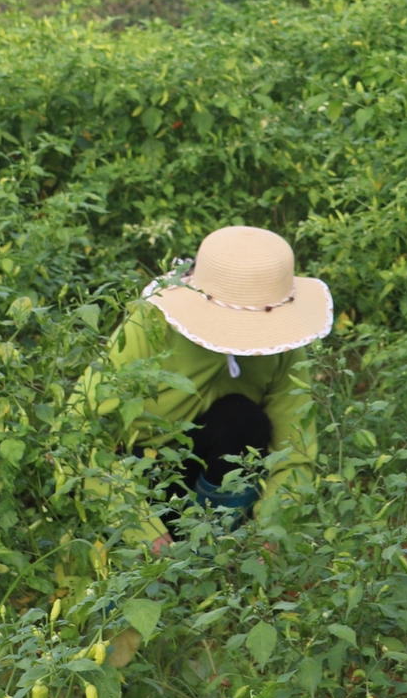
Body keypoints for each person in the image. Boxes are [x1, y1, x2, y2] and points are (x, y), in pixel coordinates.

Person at [92, 225, 330, 546]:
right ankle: (182, 544)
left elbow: (296, 453)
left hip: (220, 473)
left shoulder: (283, 348)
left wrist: (269, 532)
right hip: (144, 477)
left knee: (241, 419)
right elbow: (87, 436)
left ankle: (218, 539)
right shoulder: (148, 326)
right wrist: (146, 536)